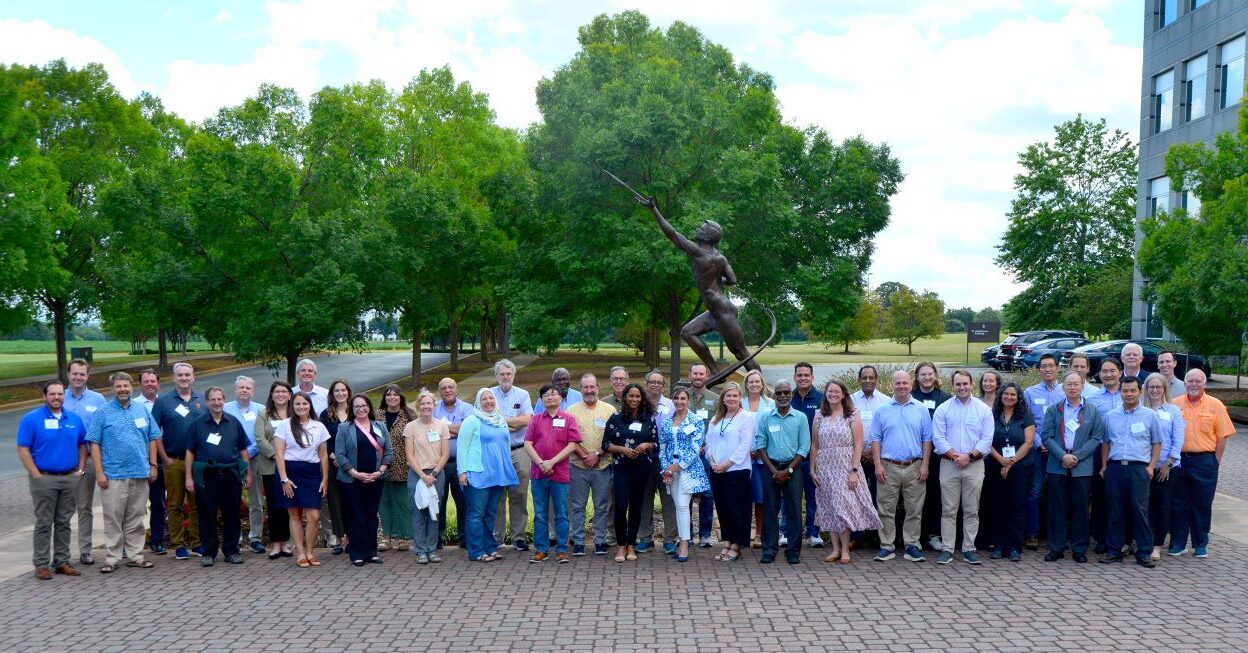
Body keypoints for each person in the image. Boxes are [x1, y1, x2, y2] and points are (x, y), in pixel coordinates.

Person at [85, 372, 159, 573]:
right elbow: (94, 443)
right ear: (112, 389)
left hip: (139, 472)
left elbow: (152, 437)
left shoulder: (142, 410)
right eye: (118, 386)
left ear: (131, 387)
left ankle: (135, 555)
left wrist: (153, 465)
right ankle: (112, 558)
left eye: (125, 386)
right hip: (113, 474)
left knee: (136, 516)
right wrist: (99, 472)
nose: (123, 389)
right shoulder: (103, 412)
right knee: (113, 517)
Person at [18, 380, 87, 579]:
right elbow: (23, 448)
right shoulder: (32, 419)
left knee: (64, 521)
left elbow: (83, 444)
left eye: (60, 394)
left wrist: (80, 470)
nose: (56, 398)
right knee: (44, 522)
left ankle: (62, 561)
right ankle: (41, 564)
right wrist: (36, 475)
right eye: (52, 394)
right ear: (44, 396)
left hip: (69, 478)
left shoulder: (72, 418)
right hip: (44, 478)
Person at [810, 380, 881, 564]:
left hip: (845, 465)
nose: (833, 394)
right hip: (825, 467)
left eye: (837, 392)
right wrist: (812, 469)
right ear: (825, 394)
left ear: (843, 394)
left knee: (843, 507)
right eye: (830, 391)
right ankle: (835, 549)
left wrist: (854, 470)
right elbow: (815, 445)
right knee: (830, 507)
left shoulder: (852, 414)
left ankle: (845, 549)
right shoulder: (819, 416)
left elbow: (858, 444)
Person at [867, 370, 933, 563]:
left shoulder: (921, 409)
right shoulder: (883, 409)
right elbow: (875, 439)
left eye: (905, 383)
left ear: (910, 384)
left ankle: (912, 545)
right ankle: (887, 546)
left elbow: (927, 439)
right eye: (898, 383)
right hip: (889, 466)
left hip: (915, 466)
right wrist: (878, 464)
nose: (901, 386)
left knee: (914, 509)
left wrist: (925, 465)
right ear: (892, 385)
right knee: (886, 509)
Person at [1170, 369, 1236, 558]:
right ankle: (1178, 543)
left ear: (1204, 384)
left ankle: (1200, 544)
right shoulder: (1175, 405)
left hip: (1204, 461)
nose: (1194, 384)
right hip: (1179, 461)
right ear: (1185, 383)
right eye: (1190, 381)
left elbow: (1222, 437)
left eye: (1198, 381)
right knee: (1178, 503)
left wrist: (1215, 462)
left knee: (1202, 503)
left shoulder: (1216, 405)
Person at [1041, 373, 1106, 563]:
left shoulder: (1092, 410)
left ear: (1082, 386)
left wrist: (1076, 456)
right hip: (1057, 465)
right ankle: (1056, 548)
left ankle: (1079, 549)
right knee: (1057, 508)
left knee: (1081, 509)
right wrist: (1063, 455)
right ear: (1063, 387)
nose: (1072, 387)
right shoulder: (1054, 410)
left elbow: (1096, 438)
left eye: (1076, 384)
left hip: (1082, 466)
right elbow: (1046, 436)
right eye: (1069, 384)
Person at [1099, 376, 1163, 568]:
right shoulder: (1111, 416)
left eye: (1132, 390)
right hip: (1115, 467)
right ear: (1120, 392)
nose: (1128, 394)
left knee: (1140, 511)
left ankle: (1143, 552)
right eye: (1125, 391)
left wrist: (1151, 466)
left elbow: (1157, 443)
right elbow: (1106, 443)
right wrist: (1104, 466)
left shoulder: (1150, 416)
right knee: (1115, 511)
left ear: (1139, 391)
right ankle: (1114, 550)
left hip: (1139, 469)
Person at [931, 370, 994, 565]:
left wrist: (970, 456)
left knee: (971, 510)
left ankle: (969, 548)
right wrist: (954, 456)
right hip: (949, 465)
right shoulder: (943, 409)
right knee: (948, 510)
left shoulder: (983, 409)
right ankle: (948, 549)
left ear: (972, 384)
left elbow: (987, 438)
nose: (962, 387)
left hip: (974, 465)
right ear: (953, 386)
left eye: (965, 383)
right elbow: (938, 438)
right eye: (958, 384)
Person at [186, 386, 251, 567]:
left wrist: (247, 473)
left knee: (232, 514)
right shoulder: (197, 424)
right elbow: (190, 452)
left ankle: (231, 551)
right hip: (206, 477)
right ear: (207, 402)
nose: (216, 402)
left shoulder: (234, 422)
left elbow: (243, 449)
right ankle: (209, 552)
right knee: (207, 515)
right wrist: (189, 478)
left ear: (224, 400)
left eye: (219, 399)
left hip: (231, 476)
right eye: (212, 400)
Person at [150, 362, 205, 560]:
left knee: (197, 504)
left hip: (198, 463)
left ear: (193, 377)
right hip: (174, 461)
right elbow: (154, 432)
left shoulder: (202, 400)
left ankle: (198, 543)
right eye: (180, 375)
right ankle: (179, 544)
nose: (184, 378)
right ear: (174, 378)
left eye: (187, 374)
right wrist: (163, 458)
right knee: (174, 504)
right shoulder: (163, 402)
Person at [753, 379, 811, 565]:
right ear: (774, 396)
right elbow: (760, 445)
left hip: (793, 468)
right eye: (779, 393)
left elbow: (804, 448)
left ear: (791, 394)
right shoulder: (765, 417)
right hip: (771, 468)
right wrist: (773, 471)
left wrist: (788, 470)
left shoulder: (801, 418)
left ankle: (793, 551)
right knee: (770, 509)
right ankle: (769, 549)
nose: (783, 396)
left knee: (794, 510)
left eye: (786, 392)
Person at [457, 389, 519, 562]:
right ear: (478, 402)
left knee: (491, 513)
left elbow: (506, 446)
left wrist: (506, 470)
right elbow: (462, 447)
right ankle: (476, 551)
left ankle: (490, 547)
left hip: (497, 475)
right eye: (484, 399)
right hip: (477, 474)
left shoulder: (500, 421)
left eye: (491, 398)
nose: (488, 401)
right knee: (476, 513)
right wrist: (462, 472)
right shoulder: (472, 420)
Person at [524, 384, 583, 563]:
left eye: (554, 394)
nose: (550, 397)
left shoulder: (568, 418)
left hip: (560, 473)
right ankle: (541, 550)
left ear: (560, 398)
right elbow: (528, 443)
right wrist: (541, 462)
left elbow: (573, 444)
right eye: (546, 395)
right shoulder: (535, 420)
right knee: (540, 513)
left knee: (562, 513)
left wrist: (552, 462)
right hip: (538, 473)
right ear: (541, 400)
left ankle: (562, 550)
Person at [335, 394, 393, 566]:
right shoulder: (345, 428)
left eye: (364, 405)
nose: (361, 409)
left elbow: (388, 451)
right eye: (357, 407)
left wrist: (380, 471)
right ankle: (357, 553)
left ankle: (371, 552)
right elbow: (340, 453)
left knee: (371, 516)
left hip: (376, 478)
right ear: (351, 410)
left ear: (369, 407)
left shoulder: (379, 426)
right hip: (353, 479)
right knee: (356, 516)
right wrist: (354, 473)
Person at [604, 383, 660, 563]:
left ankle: (631, 546)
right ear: (625, 398)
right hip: (622, 468)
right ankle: (620, 545)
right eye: (631, 396)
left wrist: (646, 445)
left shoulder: (648, 418)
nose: (634, 399)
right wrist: (622, 449)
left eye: (637, 396)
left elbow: (656, 443)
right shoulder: (616, 417)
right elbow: (605, 444)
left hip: (642, 468)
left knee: (636, 508)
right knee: (620, 506)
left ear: (642, 398)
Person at [276, 392, 332, 568]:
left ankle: (310, 551)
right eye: (297, 404)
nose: (301, 407)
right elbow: (279, 453)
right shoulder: (284, 425)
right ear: (292, 406)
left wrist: (325, 479)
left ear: (310, 405)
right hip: (290, 472)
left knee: (314, 516)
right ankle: (300, 553)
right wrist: (284, 479)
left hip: (312, 473)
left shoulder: (319, 426)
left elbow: (323, 455)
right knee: (294, 514)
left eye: (304, 404)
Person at [566, 373, 617, 556]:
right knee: (577, 506)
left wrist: (597, 455)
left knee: (602, 506)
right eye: (585, 387)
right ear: (580, 389)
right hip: (578, 467)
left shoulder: (609, 410)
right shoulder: (571, 411)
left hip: (602, 466)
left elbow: (613, 437)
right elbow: (569, 438)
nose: (589, 390)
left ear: (598, 388)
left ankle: (600, 540)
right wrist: (585, 456)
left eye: (592, 387)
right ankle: (578, 541)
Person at [705, 382, 755, 562]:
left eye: (735, 396)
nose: (732, 399)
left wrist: (728, 463)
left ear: (739, 398)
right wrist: (712, 461)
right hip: (717, 470)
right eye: (728, 396)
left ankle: (736, 545)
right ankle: (727, 542)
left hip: (737, 470)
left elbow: (745, 445)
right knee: (723, 508)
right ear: (723, 399)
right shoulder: (716, 419)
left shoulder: (746, 417)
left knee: (737, 508)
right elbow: (709, 442)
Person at [658, 386, 709, 562]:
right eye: (676, 398)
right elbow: (662, 447)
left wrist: (677, 466)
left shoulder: (696, 421)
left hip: (688, 470)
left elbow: (696, 448)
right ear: (672, 400)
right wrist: (666, 468)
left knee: (682, 505)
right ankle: (683, 540)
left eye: (682, 398)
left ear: (688, 400)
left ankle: (684, 543)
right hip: (670, 471)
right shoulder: (666, 422)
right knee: (678, 505)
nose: (679, 402)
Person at [63, 358, 105, 566]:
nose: (78, 377)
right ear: (68, 375)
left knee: (87, 507)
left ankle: (85, 550)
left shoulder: (98, 400)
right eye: (75, 374)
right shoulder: (59, 398)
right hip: (66, 462)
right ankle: (61, 553)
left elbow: (106, 429)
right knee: (66, 508)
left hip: (92, 460)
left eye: (82, 374)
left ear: (88, 376)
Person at [985, 383, 1034, 561]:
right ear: (1001, 396)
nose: (1009, 397)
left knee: (1017, 507)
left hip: (1020, 467)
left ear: (1018, 397)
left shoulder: (1025, 416)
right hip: (995, 465)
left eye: (1013, 394)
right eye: (1006, 394)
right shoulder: (992, 415)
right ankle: (998, 545)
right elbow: (985, 440)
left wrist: (1010, 463)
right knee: (998, 506)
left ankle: (1015, 547)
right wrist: (1001, 461)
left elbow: (1028, 443)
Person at [490, 359, 533, 551]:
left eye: (508, 374)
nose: (505, 377)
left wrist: (499, 421)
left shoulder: (522, 395)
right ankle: (496, 537)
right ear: (496, 376)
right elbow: (483, 420)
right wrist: (513, 422)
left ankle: (518, 537)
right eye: (502, 374)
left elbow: (527, 420)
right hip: (495, 452)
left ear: (513, 375)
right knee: (497, 495)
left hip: (519, 450)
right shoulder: (488, 395)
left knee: (519, 493)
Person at [403, 390, 449, 564]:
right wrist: (422, 475)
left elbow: (445, 454)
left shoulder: (441, 426)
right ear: (418, 407)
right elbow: (409, 455)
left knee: (434, 512)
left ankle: (432, 549)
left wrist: (434, 473)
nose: (426, 406)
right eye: (423, 404)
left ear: (434, 406)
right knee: (418, 512)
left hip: (437, 474)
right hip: (417, 474)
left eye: (429, 403)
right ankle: (420, 550)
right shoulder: (411, 427)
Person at [1023, 354, 1063, 550]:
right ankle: (1032, 533)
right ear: (1038, 370)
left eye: (1051, 366)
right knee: (1034, 492)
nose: (1048, 369)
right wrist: (1041, 442)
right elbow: (1028, 421)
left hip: (1060, 451)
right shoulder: (1029, 393)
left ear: (1058, 368)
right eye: (1044, 366)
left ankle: (1059, 534)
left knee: (1059, 492)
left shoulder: (1065, 391)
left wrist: (1055, 445)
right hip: (1037, 450)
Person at [1143, 374, 1185, 560]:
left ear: (1164, 389)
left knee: (1162, 506)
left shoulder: (1173, 411)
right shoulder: (1141, 410)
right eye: (1151, 387)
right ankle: (1144, 541)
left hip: (1166, 468)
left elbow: (1178, 440)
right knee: (1145, 506)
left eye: (1158, 387)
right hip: (1144, 468)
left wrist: (1168, 464)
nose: (1154, 390)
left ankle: (1157, 546)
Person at [222, 376, 265, 555]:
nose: (244, 390)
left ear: (252, 391)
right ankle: (236, 539)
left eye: (248, 388)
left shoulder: (260, 409)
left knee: (256, 501)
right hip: (232, 459)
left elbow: (262, 435)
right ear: (235, 389)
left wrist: (249, 451)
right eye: (241, 387)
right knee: (232, 501)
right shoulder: (225, 409)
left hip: (255, 458)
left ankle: (255, 538)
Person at [849, 365, 889, 551]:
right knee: (855, 497)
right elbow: (845, 427)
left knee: (878, 497)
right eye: (864, 377)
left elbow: (887, 432)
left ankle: (875, 536)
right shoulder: (849, 400)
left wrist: (873, 454)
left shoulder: (885, 401)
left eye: (871, 377)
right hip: (854, 457)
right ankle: (856, 536)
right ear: (859, 380)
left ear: (876, 379)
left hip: (877, 459)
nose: (867, 380)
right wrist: (859, 453)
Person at [1086, 358, 1124, 554]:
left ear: (1120, 372)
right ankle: (1100, 538)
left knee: (1119, 497)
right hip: (1098, 452)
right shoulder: (1093, 399)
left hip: (1124, 453)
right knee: (1099, 495)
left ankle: (1120, 537)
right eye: (1104, 371)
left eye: (1112, 371)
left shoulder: (1129, 393)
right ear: (1099, 374)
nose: (1108, 374)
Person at [912, 361, 951, 553]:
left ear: (935, 376)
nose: (926, 378)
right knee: (914, 498)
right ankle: (915, 537)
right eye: (922, 374)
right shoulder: (910, 397)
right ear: (917, 377)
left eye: (930, 374)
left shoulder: (945, 398)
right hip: (914, 455)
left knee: (935, 495)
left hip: (938, 455)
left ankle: (934, 535)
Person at [638, 369, 677, 553]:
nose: (655, 385)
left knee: (668, 499)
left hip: (666, 460)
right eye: (652, 382)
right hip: (644, 461)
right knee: (644, 500)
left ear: (664, 386)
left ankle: (670, 539)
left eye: (659, 382)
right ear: (646, 384)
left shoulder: (671, 406)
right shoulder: (638, 404)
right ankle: (645, 538)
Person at [253, 381, 293, 559]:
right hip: (271, 467)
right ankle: (277, 544)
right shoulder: (263, 414)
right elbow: (260, 439)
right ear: (271, 394)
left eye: (284, 391)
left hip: (293, 465)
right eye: (277, 391)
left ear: (290, 394)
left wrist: (289, 457)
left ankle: (289, 543)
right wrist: (277, 456)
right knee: (275, 506)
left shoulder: (296, 412)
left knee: (290, 506)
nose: (281, 395)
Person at [787, 362, 823, 549]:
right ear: (794, 377)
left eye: (806, 375)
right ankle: (787, 532)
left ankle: (813, 532)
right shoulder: (787, 397)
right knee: (790, 496)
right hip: (790, 458)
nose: (802, 378)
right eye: (799, 375)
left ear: (812, 377)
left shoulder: (821, 398)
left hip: (813, 458)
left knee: (813, 495)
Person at [434, 378, 473, 548]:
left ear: (456, 388)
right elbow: (430, 430)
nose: (447, 390)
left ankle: (464, 538)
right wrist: (456, 428)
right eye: (444, 388)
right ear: (439, 390)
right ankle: (437, 538)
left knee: (463, 502)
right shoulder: (433, 408)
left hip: (461, 463)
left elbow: (467, 431)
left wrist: (441, 428)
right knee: (438, 502)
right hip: (439, 464)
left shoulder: (467, 408)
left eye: (451, 387)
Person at [131, 369, 166, 555]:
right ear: (140, 384)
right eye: (146, 381)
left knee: (158, 502)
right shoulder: (133, 405)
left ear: (158, 383)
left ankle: (157, 540)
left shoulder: (166, 403)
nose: (150, 384)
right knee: (135, 504)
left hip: (159, 459)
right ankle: (131, 542)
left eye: (153, 381)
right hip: (137, 459)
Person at [377, 385, 416, 553]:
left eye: (395, 395)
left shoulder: (409, 415)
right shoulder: (377, 415)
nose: (391, 397)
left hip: (403, 466)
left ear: (401, 397)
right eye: (388, 395)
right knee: (384, 502)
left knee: (403, 503)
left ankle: (404, 537)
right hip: (381, 466)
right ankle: (386, 537)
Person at [317, 379, 352, 555]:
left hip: (353, 466)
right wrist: (335, 456)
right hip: (333, 465)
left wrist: (348, 460)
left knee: (352, 503)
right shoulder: (325, 415)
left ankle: (352, 539)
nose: (340, 393)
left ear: (348, 392)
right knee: (335, 503)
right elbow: (322, 440)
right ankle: (339, 540)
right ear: (332, 394)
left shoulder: (356, 411)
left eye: (343, 390)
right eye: (337, 391)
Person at [686, 363, 718, 547]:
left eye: (701, 374)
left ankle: (705, 535)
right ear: (690, 375)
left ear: (706, 376)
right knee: (687, 494)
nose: (698, 377)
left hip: (706, 455)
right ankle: (687, 534)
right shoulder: (682, 397)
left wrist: (708, 446)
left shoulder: (715, 399)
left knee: (707, 494)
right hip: (686, 456)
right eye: (695, 373)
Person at [742, 369, 774, 549]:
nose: (755, 384)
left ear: (762, 384)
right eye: (751, 381)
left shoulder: (770, 404)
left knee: (761, 498)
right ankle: (743, 532)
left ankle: (759, 533)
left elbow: (773, 431)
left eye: (758, 381)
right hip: (743, 459)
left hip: (763, 459)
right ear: (746, 384)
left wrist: (760, 451)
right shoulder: (739, 403)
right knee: (744, 498)